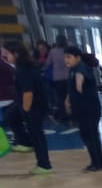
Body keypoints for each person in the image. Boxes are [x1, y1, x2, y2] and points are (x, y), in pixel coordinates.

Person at [10, 41, 51, 175]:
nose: (5, 56)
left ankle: (44, 165)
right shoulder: (23, 68)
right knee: (11, 117)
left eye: (7, 53)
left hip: (34, 107)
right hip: (32, 105)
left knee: (37, 135)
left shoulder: (24, 70)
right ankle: (26, 143)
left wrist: (26, 112)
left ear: (15, 54)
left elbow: (28, 93)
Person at [63, 46, 102, 171]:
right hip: (81, 109)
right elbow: (72, 89)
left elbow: (79, 84)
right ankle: (95, 161)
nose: (66, 60)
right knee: (86, 135)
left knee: (91, 135)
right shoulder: (72, 69)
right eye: (65, 57)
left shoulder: (81, 68)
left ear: (78, 58)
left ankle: (98, 163)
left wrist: (78, 88)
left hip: (89, 109)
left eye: (69, 57)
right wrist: (67, 101)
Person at [46, 35, 69, 123]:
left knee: (60, 98)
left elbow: (48, 63)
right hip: (68, 76)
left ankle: (63, 116)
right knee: (70, 96)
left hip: (57, 78)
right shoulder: (68, 50)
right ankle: (72, 114)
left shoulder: (53, 51)